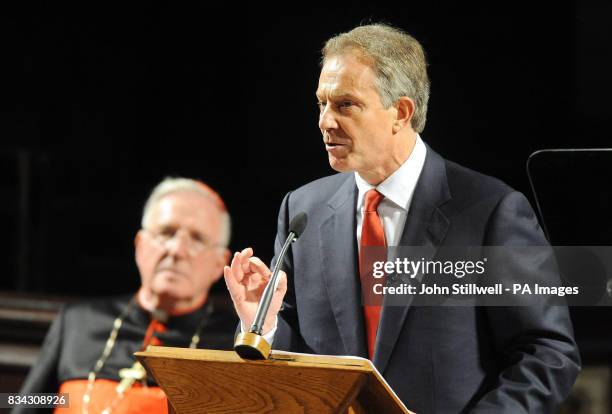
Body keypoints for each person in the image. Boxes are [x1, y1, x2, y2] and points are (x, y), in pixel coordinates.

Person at [224, 24, 581, 413]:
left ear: (401, 112)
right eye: (321, 103)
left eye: (345, 104)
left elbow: (547, 352)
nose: (325, 121)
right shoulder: (302, 210)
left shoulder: (489, 211)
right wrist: (262, 323)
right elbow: (295, 361)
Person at [16, 177, 235, 414]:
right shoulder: (78, 321)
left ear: (219, 263)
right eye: (166, 232)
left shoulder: (231, 346)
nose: (176, 250)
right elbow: (27, 404)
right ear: (140, 245)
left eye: (197, 239)